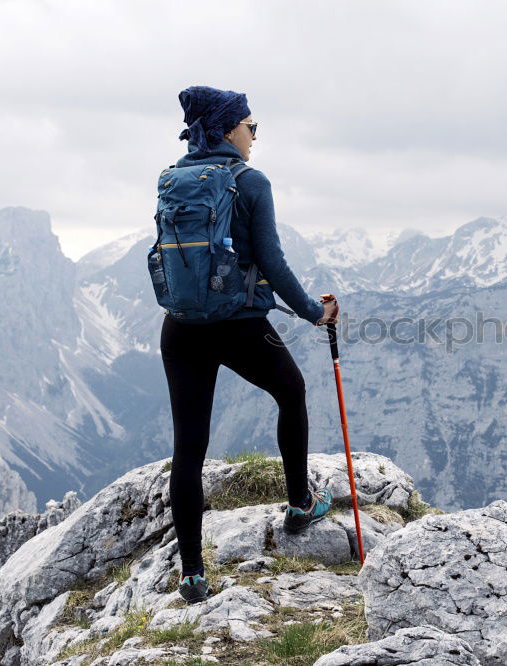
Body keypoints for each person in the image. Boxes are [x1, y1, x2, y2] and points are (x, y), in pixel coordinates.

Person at [161, 85, 340, 605]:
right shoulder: (250, 181)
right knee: (292, 392)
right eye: (250, 127)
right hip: (238, 323)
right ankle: (300, 501)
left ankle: (192, 573)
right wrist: (314, 312)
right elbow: (273, 261)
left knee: (188, 449)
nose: (254, 136)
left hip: (181, 326)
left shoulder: (176, 179)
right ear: (225, 130)